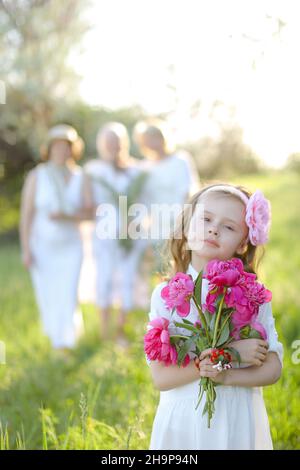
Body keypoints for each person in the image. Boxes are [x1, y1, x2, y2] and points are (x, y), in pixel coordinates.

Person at [146, 183, 283, 450]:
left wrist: (227, 375)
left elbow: (273, 368)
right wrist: (229, 354)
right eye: (206, 219)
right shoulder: (166, 295)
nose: (213, 229)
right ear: (186, 228)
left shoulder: (253, 295)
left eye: (229, 226)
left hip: (235, 420)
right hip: (183, 422)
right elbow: (161, 378)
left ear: (243, 243)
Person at [20, 124, 92, 353]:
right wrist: (26, 249)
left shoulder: (81, 176)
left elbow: (91, 213)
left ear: (73, 149)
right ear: (49, 148)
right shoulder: (37, 175)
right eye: (57, 146)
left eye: (66, 146)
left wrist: (67, 215)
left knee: (68, 293)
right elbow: (26, 214)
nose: (61, 150)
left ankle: (65, 342)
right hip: (42, 246)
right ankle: (57, 339)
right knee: (48, 294)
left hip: (71, 246)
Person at [84, 122, 147, 345]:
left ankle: (121, 330)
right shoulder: (94, 170)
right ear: (102, 145)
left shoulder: (137, 170)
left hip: (132, 232)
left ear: (125, 143)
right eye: (109, 141)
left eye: (118, 141)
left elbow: (144, 203)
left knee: (128, 279)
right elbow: (88, 201)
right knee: (104, 279)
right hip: (104, 233)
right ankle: (104, 331)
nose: (114, 145)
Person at [133, 118, 200, 273]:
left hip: (181, 223)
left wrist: (185, 224)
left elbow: (189, 192)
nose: (152, 142)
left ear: (163, 137)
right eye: (147, 139)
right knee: (163, 270)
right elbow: (143, 201)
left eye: (155, 137)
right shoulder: (143, 168)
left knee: (185, 268)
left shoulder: (181, 160)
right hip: (157, 228)